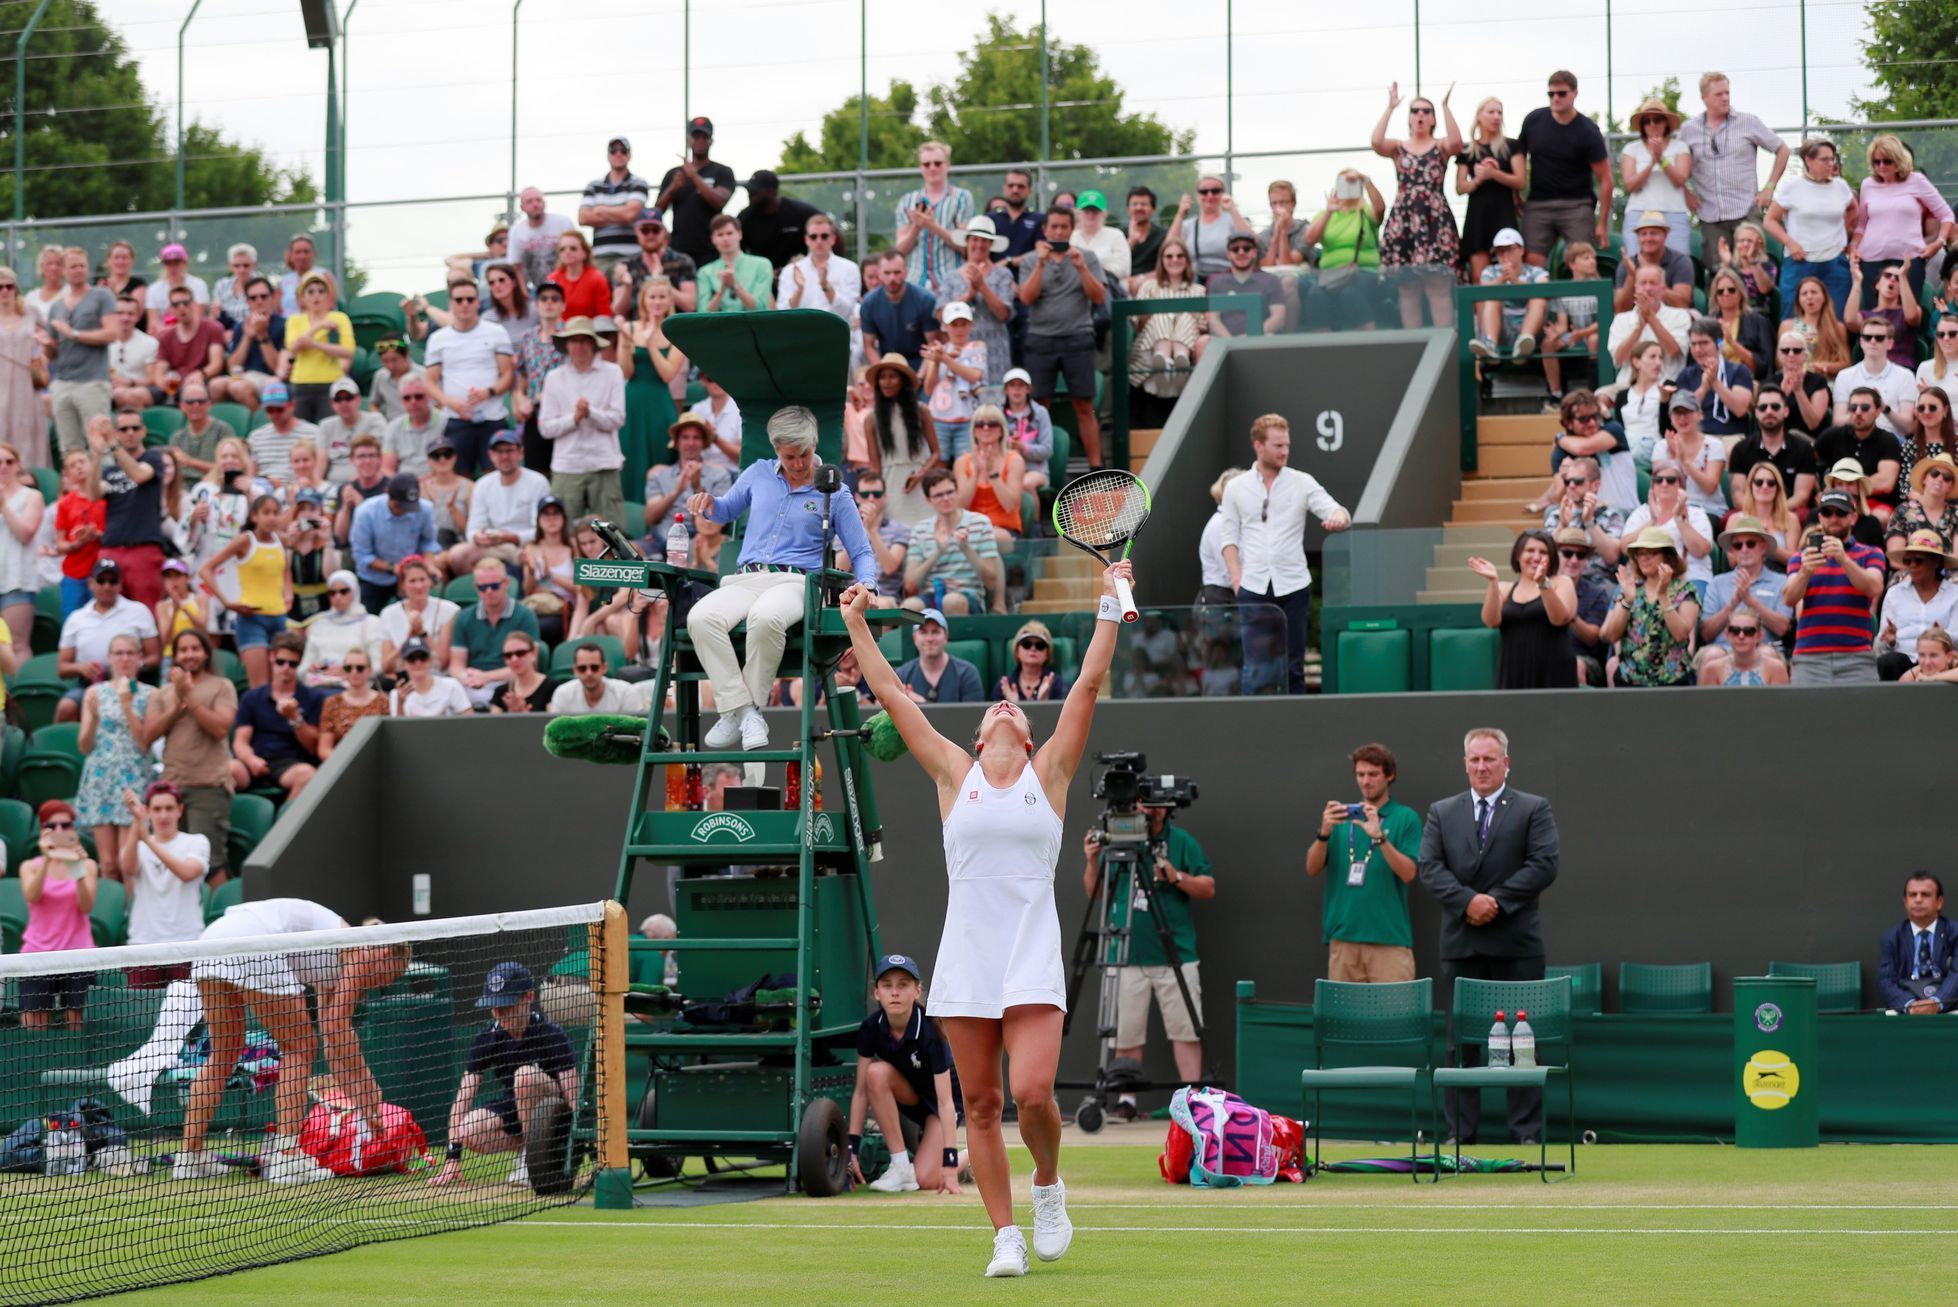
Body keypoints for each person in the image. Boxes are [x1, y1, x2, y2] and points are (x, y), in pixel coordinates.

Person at [837, 558, 1127, 1276]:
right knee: (982, 1101)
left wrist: (1110, 604)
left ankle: (1049, 1186)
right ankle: (1005, 1234)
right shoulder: (951, 774)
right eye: (994, 709)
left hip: (1030, 952)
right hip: (968, 958)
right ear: (975, 738)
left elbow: (1087, 682)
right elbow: (891, 693)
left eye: (1016, 710)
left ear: (1029, 736)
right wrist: (855, 623)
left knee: (1031, 1094)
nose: (1004, 708)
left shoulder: (1050, 772)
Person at [172, 898, 411, 1185]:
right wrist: (371, 1088)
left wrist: (364, 1103)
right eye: (392, 975)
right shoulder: (361, 950)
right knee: (300, 1046)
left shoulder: (337, 965)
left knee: (226, 1050)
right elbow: (337, 1029)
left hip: (214, 939)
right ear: (384, 953)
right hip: (254, 939)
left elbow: (334, 1044)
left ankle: (190, 1157)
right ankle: (287, 1156)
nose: (384, 984)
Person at [683, 408, 878, 748]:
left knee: (767, 617)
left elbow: (861, 551)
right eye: (790, 457)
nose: (799, 464)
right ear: (776, 450)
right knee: (700, 617)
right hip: (745, 578)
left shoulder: (835, 491)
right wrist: (707, 501)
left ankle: (744, 709)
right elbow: (725, 509)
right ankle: (744, 712)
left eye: (804, 454)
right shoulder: (758, 472)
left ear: (814, 444)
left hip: (796, 582)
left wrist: (868, 583)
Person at [1416, 727, 1559, 1145]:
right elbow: (1430, 868)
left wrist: (1493, 902)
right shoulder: (1442, 812)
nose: (1481, 766)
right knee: (1461, 1044)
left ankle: (1527, 1134)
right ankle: (1459, 1134)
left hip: (1517, 945)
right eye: (1474, 759)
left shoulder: (1534, 808)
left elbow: (1544, 864)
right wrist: (1467, 903)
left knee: (1524, 1041)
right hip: (1462, 945)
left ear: (1506, 763)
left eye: (1489, 759)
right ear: (1465, 764)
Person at [1079, 795, 1215, 1120]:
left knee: (1185, 1030)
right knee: (1126, 1031)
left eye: (1153, 804)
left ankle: (1192, 1099)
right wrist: (1091, 861)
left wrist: (1176, 876)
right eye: (1141, 804)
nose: (1147, 810)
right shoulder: (1119, 841)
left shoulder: (1181, 842)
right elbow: (1096, 893)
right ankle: (1126, 1100)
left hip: (1175, 955)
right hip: (1126, 954)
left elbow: (1208, 887)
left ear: (1167, 808)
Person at [1217, 414, 1351, 694]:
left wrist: (1338, 518)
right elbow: (1228, 537)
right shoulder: (1237, 487)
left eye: (1287, 445)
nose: (1285, 451)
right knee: (1255, 666)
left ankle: (1296, 726)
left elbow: (1337, 510)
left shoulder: (1301, 481)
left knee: (1293, 665)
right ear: (1259, 446)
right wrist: (1237, 580)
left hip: (1293, 585)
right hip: (1252, 587)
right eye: (1278, 445)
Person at [426, 961, 579, 1189]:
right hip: (513, 1108)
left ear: (528, 997)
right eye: (494, 1006)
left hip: (553, 1113)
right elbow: (463, 1098)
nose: (499, 1013)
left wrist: (574, 1140)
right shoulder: (486, 1039)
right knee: (468, 1131)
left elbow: (572, 1096)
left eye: (506, 1005)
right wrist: (452, 1158)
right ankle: (524, 1149)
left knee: (525, 1077)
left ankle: (532, 1158)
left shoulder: (552, 1034)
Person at [845, 955, 964, 1194]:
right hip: (912, 1096)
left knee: (927, 1180)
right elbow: (860, 1093)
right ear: (877, 993)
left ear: (917, 990)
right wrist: (851, 1152)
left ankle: (969, 1158)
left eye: (903, 985)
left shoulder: (933, 1029)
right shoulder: (871, 1027)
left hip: (943, 1107)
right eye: (887, 985)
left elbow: (945, 1101)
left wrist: (949, 1164)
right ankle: (900, 1167)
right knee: (875, 1073)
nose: (895, 992)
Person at [1306, 743, 1420, 982]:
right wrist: (1324, 832)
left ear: (1390, 775)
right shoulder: (1341, 818)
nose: (1366, 781)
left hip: (1389, 941)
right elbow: (1312, 868)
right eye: (1360, 774)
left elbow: (1409, 873)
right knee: (1343, 1018)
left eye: (1373, 774)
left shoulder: (1405, 817)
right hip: (1344, 939)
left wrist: (1379, 837)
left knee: (1393, 1018)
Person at [1017, 209, 1106, 470]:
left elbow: (1099, 297)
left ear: (1071, 229)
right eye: (1053, 227)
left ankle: (1096, 468)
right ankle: (1035, 467)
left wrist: (1081, 268)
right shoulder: (1031, 260)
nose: (1058, 232)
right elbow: (1026, 298)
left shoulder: (1086, 257)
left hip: (1077, 338)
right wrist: (1042, 263)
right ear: (1045, 229)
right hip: (1041, 340)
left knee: (1085, 405)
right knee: (1037, 404)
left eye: (1063, 227)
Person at [1372, 81, 1464, 328]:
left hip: (1435, 219)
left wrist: (1445, 106)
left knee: (1438, 287)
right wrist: (1390, 107)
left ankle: (1443, 345)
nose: (1420, 115)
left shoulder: (1441, 146)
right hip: (1404, 220)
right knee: (1408, 287)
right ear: (1409, 118)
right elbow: (1376, 142)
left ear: (1433, 118)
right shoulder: (1398, 147)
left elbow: (1457, 143)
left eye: (1426, 111)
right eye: (1415, 111)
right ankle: (1414, 345)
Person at [1678, 73, 1790, 259]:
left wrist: (1769, 188)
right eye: (1718, 94)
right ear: (1704, 98)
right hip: (1710, 215)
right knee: (1717, 272)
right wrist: (1685, 193)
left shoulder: (1748, 122)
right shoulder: (1688, 130)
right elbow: (1675, 165)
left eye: (1727, 93)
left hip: (1745, 210)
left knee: (1751, 268)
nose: (1725, 98)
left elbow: (1783, 150)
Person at [1781, 486, 1886, 684]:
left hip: (1857, 657)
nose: (1833, 518)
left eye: (1840, 512)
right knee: (1808, 716)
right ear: (1820, 517)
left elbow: (1874, 588)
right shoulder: (1802, 557)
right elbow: (1788, 598)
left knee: (1860, 715)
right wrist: (1805, 572)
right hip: (1810, 657)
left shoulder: (1871, 553)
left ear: (1853, 518)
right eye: (1827, 512)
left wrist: (1844, 560)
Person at [72, 631, 152, 879]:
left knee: (127, 859)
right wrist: (94, 719)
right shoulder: (94, 693)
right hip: (101, 777)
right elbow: (84, 746)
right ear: (109, 658)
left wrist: (126, 704)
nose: (124, 658)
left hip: (134, 776)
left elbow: (144, 744)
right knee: (107, 863)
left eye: (130, 653)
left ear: (140, 658)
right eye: (119, 653)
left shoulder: (151, 694)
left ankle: (130, 913)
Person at [1516, 70, 1612, 266]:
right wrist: (1515, 194)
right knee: (1532, 262)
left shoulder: (1588, 131)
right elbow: (1518, 158)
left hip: (1576, 206)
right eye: (1551, 94)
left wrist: (1602, 223)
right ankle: (1538, 298)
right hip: (1538, 204)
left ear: (1575, 93)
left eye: (1561, 93)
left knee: (1584, 260)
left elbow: (1606, 179)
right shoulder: (1533, 121)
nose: (1556, 98)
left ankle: (1585, 298)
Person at [17, 800, 99, 1030]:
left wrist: (77, 868)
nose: (60, 831)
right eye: (53, 826)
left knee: (75, 1022)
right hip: (37, 956)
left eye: (66, 825)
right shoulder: (29, 866)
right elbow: (32, 896)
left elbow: (86, 906)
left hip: (78, 955)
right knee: (33, 1024)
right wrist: (46, 860)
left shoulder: (88, 865)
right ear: (44, 830)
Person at [536, 317, 626, 524]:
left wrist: (590, 413)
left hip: (604, 462)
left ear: (593, 343)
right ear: (566, 344)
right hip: (567, 464)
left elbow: (618, 419)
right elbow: (546, 428)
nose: (579, 346)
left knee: (612, 533)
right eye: (574, 340)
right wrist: (574, 419)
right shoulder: (554, 377)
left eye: (584, 340)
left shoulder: (613, 372)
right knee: (564, 532)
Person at [424, 280, 517, 479]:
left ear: (477, 303)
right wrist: (451, 402)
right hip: (456, 419)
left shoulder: (496, 332)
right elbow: (430, 382)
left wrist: (489, 392)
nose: (464, 304)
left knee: (497, 477)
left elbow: (508, 374)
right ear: (451, 304)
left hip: (492, 417)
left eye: (470, 299)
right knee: (459, 479)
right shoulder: (438, 338)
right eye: (459, 300)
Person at [197, 493, 288, 687]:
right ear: (254, 516)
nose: (271, 517)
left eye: (275, 512)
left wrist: (288, 595)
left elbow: (284, 569)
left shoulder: (281, 540)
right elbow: (205, 569)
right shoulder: (245, 541)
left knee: (281, 685)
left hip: (279, 617)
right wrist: (226, 602)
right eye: (266, 512)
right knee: (260, 687)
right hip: (251, 618)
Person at [1853, 135, 1954, 306]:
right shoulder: (1867, 184)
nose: (1882, 166)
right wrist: (1854, 247)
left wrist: (1938, 243)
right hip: (1871, 260)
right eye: (1876, 162)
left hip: (1910, 259)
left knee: (1909, 315)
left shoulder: (1917, 180)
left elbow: (1946, 215)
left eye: (1887, 161)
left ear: (1898, 160)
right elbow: (1862, 225)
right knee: (1874, 314)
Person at [56, 557, 159, 723]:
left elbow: (154, 657)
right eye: (101, 580)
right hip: (90, 684)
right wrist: (80, 667)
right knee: (66, 707)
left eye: (113, 581)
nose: (107, 586)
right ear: (91, 583)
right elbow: (62, 667)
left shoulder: (139, 611)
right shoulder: (76, 618)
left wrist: (131, 664)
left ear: (120, 584)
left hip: (132, 682)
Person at [1470, 529, 1576, 689]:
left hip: (1553, 670)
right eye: (1530, 550)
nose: (1536, 556)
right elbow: (1491, 621)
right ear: (1518, 555)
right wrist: (1493, 581)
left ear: (1552, 557)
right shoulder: (1503, 588)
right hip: (1512, 669)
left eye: (1543, 552)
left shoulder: (1562, 582)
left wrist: (1542, 582)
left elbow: (1559, 619)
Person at [1767, 137, 1858, 315]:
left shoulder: (1841, 186)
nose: (1830, 164)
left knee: (1836, 319)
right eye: (1825, 159)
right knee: (1795, 320)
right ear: (1809, 160)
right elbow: (1770, 220)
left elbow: (1854, 210)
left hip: (1834, 261)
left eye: (1833, 159)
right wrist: (1790, 243)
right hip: (1800, 262)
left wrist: (1843, 236)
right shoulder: (1791, 187)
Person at [117, 780, 208, 954]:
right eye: (157, 809)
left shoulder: (197, 842)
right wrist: (138, 819)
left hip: (187, 942)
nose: (163, 816)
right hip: (143, 943)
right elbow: (128, 868)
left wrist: (148, 841)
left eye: (169, 808)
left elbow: (187, 873)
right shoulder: (139, 846)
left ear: (180, 810)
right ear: (148, 811)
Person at [44, 248, 120, 455]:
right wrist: (45, 344)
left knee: (100, 446)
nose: (78, 270)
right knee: (69, 449)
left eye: (82, 265)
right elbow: (53, 352)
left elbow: (113, 333)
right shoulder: (57, 306)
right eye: (73, 266)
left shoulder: (101, 296)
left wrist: (75, 334)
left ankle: (105, 485)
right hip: (62, 383)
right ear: (63, 271)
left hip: (92, 382)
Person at [1603, 527, 1701, 687]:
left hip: (1671, 682)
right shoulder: (1631, 589)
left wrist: (1663, 596)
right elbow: (1612, 635)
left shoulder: (1686, 591)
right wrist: (1627, 600)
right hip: (1630, 679)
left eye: (1651, 553)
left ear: (1667, 557)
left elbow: (1681, 635)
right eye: (1640, 554)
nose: (1644, 558)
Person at [229, 630, 322, 798]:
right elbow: (240, 741)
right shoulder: (252, 697)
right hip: (254, 759)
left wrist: (295, 718)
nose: (286, 668)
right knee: (228, 769)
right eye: (281, 662)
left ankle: (288, 823)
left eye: (292, 664)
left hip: (290, 763)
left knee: (307, 774)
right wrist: (251, 760)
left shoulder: (312, 698)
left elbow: (313, 747)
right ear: (271, 657)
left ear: (299, 663)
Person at [1698, 514, 1796, 669]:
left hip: (1765, 646)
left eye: (1750, 544)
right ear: (1733, 551)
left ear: (1763, 547)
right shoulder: (1717, 583)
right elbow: (1705, 634)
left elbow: (1783, 628)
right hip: (1723, 650)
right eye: (1738, 545)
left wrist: (1751, 601)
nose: (1744, 549)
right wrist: (1732, 605)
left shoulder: (1781, 581)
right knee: (1712, 655)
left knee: (1767, 655)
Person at [447, 430, 550, 576]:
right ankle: (482, 591)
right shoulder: (483, 484)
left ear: (521, 453)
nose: (504, 456)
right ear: (490, 455)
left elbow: (542, 530)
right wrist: (478, 537)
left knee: (535, 559)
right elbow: (473, 529)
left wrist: (512, 537)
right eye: (499, 451)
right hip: (494, 544)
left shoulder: (537, 482)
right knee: (458, 555)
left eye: (509, 450)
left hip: (526, 544)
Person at [446, 556, 542, 710]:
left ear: (506, 584)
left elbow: (531, 663)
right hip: (471, 684)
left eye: (494, 586)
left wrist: (485, 677)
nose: (489, 591)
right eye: (483, 587)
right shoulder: (464, 617)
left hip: (511, 682)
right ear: (476, 588)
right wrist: (469, 678)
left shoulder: (525, 616)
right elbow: (456, 665)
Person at [905, 468, 1001, 617]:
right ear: (929, 500)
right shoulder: (920, 530)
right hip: (931, 595)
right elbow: (910, 584)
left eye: (950, 492)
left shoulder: (980, 523)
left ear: (957, 492)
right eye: (938, 495)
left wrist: (965, 548)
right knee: (909, 606)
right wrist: (937, 553)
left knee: (952, 601)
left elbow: (991, 581)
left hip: (968, 594)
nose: (946, 498)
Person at [1302, 169, 1386, 332]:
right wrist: (1329, 212)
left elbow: (1380, 209)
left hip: (1363, 272)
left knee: (1351, 294)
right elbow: (1310, 239)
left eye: (1352, 184)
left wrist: (1365, 179)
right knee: (1315, 296)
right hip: (1331, 275)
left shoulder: (1365, 211)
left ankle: (1370, 341)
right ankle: (1321, 346)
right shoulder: (1325, 214)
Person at [864, 353, 941, 528]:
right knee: (897, 532)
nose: (886, 382)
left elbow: (936, 452)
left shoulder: (922, 411)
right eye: (882, 377)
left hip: (920, 482)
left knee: (926, 529)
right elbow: (874, 465)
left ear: (903, 380)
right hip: (891, 485)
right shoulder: (872, 419)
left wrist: (922, 473)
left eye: (892, 376)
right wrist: (876, 493)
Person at [1128, 239, 1206, 409]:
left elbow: (1201, 325)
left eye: (1179, 256)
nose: (1174, 260)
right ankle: (1162, 360)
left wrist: (1181, 320)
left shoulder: (1198, 290)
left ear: (1186, 260)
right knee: (1161, 315)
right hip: (1149, 345)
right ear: (1162, 261)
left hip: (1187, 344)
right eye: (1169, 256)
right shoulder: (1149, 286)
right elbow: (1137, 323)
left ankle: (1180, 360)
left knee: (1186, 318)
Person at [1456, 97, 1525, 285]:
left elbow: (1520, 181)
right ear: (1479, 116)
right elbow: (1460, 187)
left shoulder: (1512, 146)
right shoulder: (1468, 151)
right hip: (1477, 218)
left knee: (1510, 272)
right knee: (1480, 277)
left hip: (1504, 215)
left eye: (1499, 112)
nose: (1496, 117)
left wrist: (1493, 174)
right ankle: (1482, 315)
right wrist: (1478, 179)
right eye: (1491, 112)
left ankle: (1510, 313)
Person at [653, 118, 736, 269]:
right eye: (696, 136)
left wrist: (694, 176)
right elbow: (656, 212)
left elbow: (719, 201)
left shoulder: (722, 171)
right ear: (688, 140)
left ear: (711, 140)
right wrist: (672, 188)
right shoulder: (674, 174)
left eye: (704, 137)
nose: (700, 141)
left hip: (711, 249)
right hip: (679, 249)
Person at [894, 140, 974, 296]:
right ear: (920, 167)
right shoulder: (907, 200)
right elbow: (900, 250)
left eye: (938, 163)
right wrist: (916, 227)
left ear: (947, 165)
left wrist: (933, 226)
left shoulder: (962, 198)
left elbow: (965, 246)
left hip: (952, 282)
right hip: (916, 283)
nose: (932, 168)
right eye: (926, 164)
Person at [1876, 530, 1958, 681]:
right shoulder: (1894, 594)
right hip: (1903, 658)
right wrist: (1890, 640)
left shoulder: (1955, 594)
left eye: (1918, 560)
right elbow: (1881, 644)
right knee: (1888, 661)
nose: (1912, 566)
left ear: (1935, 561)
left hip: (1942, 662)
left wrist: (1941, 636)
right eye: (1907, 561)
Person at [1617, 97, 1692, 256]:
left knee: (1677, 263)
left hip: (1674, 212)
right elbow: (1630, 185)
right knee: (1638, 264)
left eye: (1657, 119)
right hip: (1639, 213)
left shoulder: (1680, 147)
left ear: (1666, 123)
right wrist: (1652, 162)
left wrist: (1662, 160)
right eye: (1647, 121)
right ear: (1642, 126)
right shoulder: (1631, 149)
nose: (1652, 124)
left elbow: (1680, 180)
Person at [1819, 385, 1907, 517]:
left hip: (1874, 503)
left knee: (1881, 517)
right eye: (1853, 408)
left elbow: (1885, 482)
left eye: (1865, 408)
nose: (1858, 412)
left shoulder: (1888, 440)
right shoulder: (1833, 435)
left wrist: (1842, 488)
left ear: (1878, 411)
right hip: (1834, 502)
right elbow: (1806, 459)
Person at [1878, 874, 1958, 1015]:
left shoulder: (1954, 932)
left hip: (1948, 1006)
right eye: (1913, 895)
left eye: (1925, 895)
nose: (1918, 899)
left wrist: (1937, 1002)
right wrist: (1908, 1005)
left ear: (1939, 902)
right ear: (1905, 901)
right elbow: (1886, 980)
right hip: (1907, 1007)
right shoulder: (1892, 937)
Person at [1469, 227, 1550, 363]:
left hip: (1533, 334)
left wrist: (1516, 281)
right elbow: (1482, 291)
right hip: (1503, 329)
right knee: (1492, 297)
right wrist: (1501, 280)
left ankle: (1523, 343)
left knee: (1538, 299)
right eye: (1500, 251)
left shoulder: (1537, 271)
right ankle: (1490, 345)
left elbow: (1544, 289)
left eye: (1510, 249)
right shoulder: (1489, 272)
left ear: (1521, 250)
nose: (1505, 255)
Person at [1606, 264, 1693, 387]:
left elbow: (1674, 351)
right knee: (1601, 397)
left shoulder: (1680, 316)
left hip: (1667, 385)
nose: (1648, 288)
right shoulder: (1621, 320)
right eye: (1643, 283)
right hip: (1626, 386)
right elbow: (1619, 358)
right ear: (1635, 288)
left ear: (1663, 288)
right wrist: (1638, 329)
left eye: (1653, 283)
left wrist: (1650, 317)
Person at [924, 302, 987, 464]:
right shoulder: (938, 350)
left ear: (970, 325)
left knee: (966, 465)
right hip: (938, 418)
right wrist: (937, 361)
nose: (959, 329)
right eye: (954, 325)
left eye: (963, 324)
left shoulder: (977, 347)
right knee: (939, 464)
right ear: (946, 326)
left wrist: (944, 359)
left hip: (967, 418)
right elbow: (929, 389)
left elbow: (974, 375)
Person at [298, 570, 382, 689]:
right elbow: (302, 669)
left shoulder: (371, 623)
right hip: (318, 687)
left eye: (344, 591)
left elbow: (378, 666)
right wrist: (310, 669)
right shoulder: (318, 625)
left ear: (354, 591)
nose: (337, 597)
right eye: (332, 593)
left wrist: (349, 671)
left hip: (355, 689)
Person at [580, 135, 653, 273]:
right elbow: (584, 218)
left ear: (629, 155)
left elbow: (630, 215)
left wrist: (600, 209)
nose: (618, 154)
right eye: (614, 150)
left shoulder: (638, 183)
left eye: (623, 150)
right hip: (600, 257)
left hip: (631, 255)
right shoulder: (593, 186)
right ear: (608, 155)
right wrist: (621, 212)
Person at [952, 406, 1023, 545]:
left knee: (980, 537)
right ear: (974, 431)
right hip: (969, 529)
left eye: (992, 424)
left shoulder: (1015, 460)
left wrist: (993, 474)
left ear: (1001, 430)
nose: (986, 428)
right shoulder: (961, 463)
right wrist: (975, 474)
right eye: (980, 424)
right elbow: (961, 505)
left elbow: (1009, 505)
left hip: (1004, 529)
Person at [860, 252, 938, 372]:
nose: (892, 278)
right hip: (888, 364)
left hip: (920, 362)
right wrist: (881, 372)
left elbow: (932, 344)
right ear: (879, 273)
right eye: (887, 273)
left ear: (906, 272)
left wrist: (919, 378)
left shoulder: (925, 299)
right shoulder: (869, 303)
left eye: (897, 272)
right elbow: (869, 345)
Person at [778, 211, 861, 323]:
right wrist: (800, 290)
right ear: (806, 240)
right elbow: (782, 314)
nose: (819, 241)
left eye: (824, 236)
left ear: (833, 239)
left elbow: (846, 312)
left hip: (835, 335)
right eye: (813, 236)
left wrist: (826, 286)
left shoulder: (850, 269)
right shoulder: (791, 271)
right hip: (801, 335)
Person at [0, 267, 45, 470]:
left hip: (25, 382)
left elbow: (51, 338)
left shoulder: (31, 312)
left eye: (9, 286)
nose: (4, 291)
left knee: (26, 430)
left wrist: (42, 352)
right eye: (0, 287)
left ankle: (30, 477)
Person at [891, 607, 984, 704]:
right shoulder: (902, 675)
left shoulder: (967, 673)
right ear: (914, 638)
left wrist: (921, 703)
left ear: (946, 636)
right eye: (923, 632)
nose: (929, 638)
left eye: (935, 632)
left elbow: (973, 716)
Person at [1205, 232, 1287, 340]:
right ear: (1229, 254)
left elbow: (1278, 317)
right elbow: (1213, 319)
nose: (1241, 252)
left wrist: (1250, 336)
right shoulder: (1216, 282)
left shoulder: (1271, 280)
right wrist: (1231, 342)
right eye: (1235, 249)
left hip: (1261, 338)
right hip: (1224, 341)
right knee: (1204, 341)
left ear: (1254, 252)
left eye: (1247, 248)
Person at [736, 170, 822, 271]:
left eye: (754, 192)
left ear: (772, 192)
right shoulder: (745, 218)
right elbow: (738, 253)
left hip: (801, 274)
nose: (750, 195)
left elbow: (830, 232)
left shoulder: (801, 212)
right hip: (761, 278)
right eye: (749, 191)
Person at [1173, 175, 1255, 279]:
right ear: (1197, 195)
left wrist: (1233, 210)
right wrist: (1180, 214)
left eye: (1215, 191)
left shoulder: (1232, 220)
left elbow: (1253, 243)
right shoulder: (1188, 225)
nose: (1210, 196)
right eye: (1204, 192)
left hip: (1228, 279)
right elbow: (1167, 247)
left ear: (1223, 194)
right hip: (1194, 282)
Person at [1888, 448, 1958, 562]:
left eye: (1947, 478)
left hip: (1947, 574)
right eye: (1934, 474)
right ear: (1924, 478)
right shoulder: (1903, 511)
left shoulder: (1956, 514)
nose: (1940, 479)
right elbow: (1895, 558)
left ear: (1950, 486)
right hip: (1909, 571)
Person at [316, 647, 386, 757]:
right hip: (342, 764)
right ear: (344, 670)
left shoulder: (384, 701)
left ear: (370, 670)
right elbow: (324, 749)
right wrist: (345, 760)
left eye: (360, 668)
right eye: (349, 668)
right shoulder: (332, 703)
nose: (354, 672)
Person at [695, 214, 773, 315]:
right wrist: (722, 289)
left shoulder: (762, 265)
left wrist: (735, 284)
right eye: (720, 234)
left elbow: (760, 308)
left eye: (729, 233)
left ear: (740, 234)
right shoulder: (705, 272)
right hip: (719, 328)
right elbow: (703, 313)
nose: (725, 239)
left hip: (753, 327)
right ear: (713, 239)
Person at [546, 641, 638, 715]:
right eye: (582, 668)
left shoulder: (625, 692)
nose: (589, 673)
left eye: (594, 667)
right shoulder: (563, 694)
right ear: (575, 670)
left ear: (604, 667)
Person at [508, 187, 573, 291]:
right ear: (522, 207)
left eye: (538, 200)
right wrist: (525, 294)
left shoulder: (563, 223)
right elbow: (516, 266)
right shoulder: (517, 231)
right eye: (529, 201)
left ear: (544, 203)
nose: (535, 204)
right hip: (534, 288)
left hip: (565, 285)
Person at [392, 634, 474, 716]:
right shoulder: (397, 694)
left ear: (430, 659)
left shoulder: (451, 685)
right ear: (403, 663)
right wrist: (400, 703)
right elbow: (396, 728)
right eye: (411, 658)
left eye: (423, 657)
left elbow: (470, 720)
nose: (418, 662)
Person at [993, 619, 1069, 702]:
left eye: (1040, 645)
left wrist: (1044, 703)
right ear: (1017, 651)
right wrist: (1014, 705)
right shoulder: (1004, 686)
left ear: (1047, 653)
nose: (1033, 649)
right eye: (1026, 644)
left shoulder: (1058, 685)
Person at [486, 629, 558, 714]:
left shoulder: (552, 687)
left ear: (534, 653)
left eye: (520, 653)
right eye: (508, 655)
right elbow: (494, 725)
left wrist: (523, 712)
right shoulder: (501, 692)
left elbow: (553, 724)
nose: (514, 659)